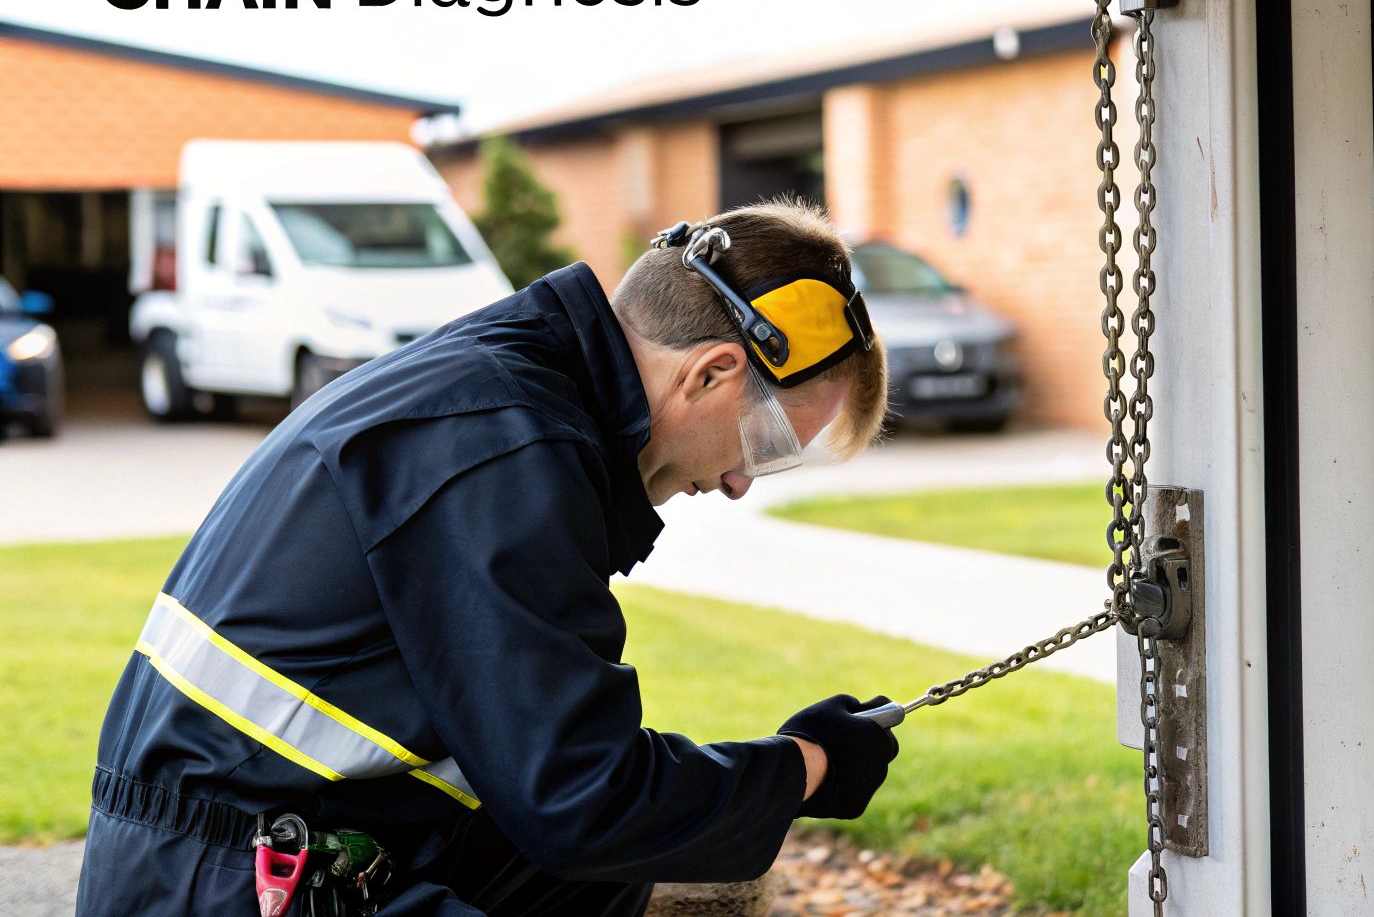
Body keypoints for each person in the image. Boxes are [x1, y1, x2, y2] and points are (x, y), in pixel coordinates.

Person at [75, 200, 900, 916]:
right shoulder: (507, 451)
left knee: (601, 874)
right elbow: (582, 799)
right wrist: (809, 767)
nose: (738, 483)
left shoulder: (513, 392)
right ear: (712, 373)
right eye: (771, 443)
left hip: (266, 851)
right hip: (230, 880)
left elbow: (561, 779)